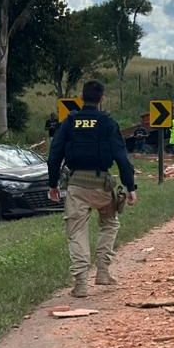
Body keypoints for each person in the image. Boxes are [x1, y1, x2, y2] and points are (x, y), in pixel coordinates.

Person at [47, 80, 138, 298]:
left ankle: (80, 283)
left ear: (81, 98)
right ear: (101, 99)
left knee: (77, 231)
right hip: (102, 185)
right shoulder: (107, 123)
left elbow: (54, 155)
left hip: (77, 184)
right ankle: (103, 271)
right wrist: (130, 186)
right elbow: (121, 158)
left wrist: (53, 184)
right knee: (110, 223)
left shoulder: (70, 122)